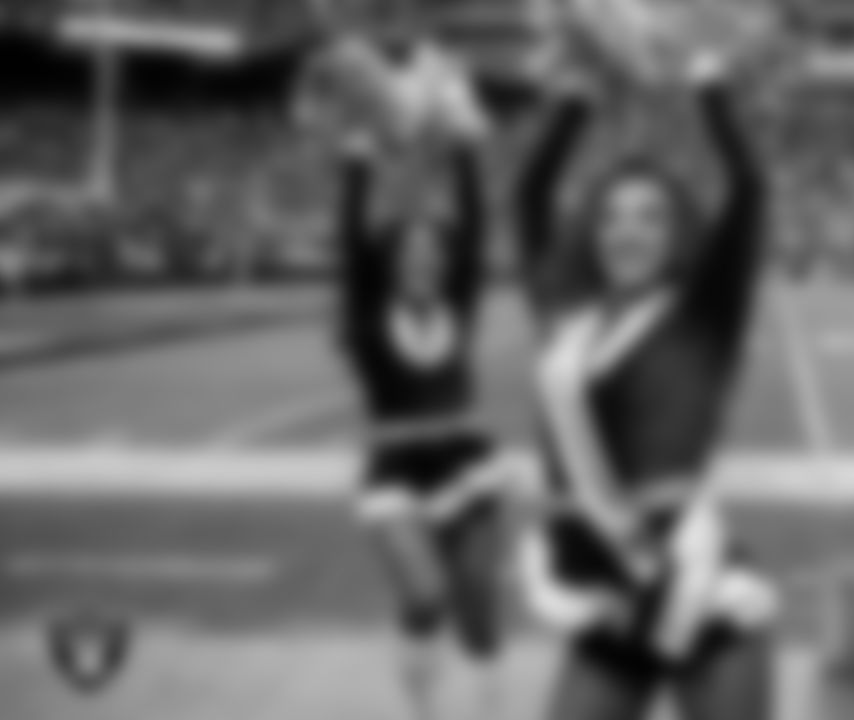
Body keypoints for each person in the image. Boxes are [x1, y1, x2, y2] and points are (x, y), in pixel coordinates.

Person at [511, 7, 779, 719]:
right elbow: (530, 196)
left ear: (679, 232)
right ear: (591, 231)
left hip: (698, 593)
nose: (627, 229)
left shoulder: (703, 317)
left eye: (651, 215)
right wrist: (578, 94)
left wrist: (708, 84)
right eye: (612, 214)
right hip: (603, 599)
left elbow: (748, 192)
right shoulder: (563, 318)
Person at [309, 23, 514, 720]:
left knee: (480, 607)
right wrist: (359, 161)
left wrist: (461, 147)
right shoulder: (368, 323)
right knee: (426, 597)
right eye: (411, 251)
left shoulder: (459, 302)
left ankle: (488, 702)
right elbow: (350, 252)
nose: (424, 259)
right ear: (394, 260)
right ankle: (422, 705)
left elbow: (479, 229)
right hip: (394, 470)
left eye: (434, 251)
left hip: (466, 462)